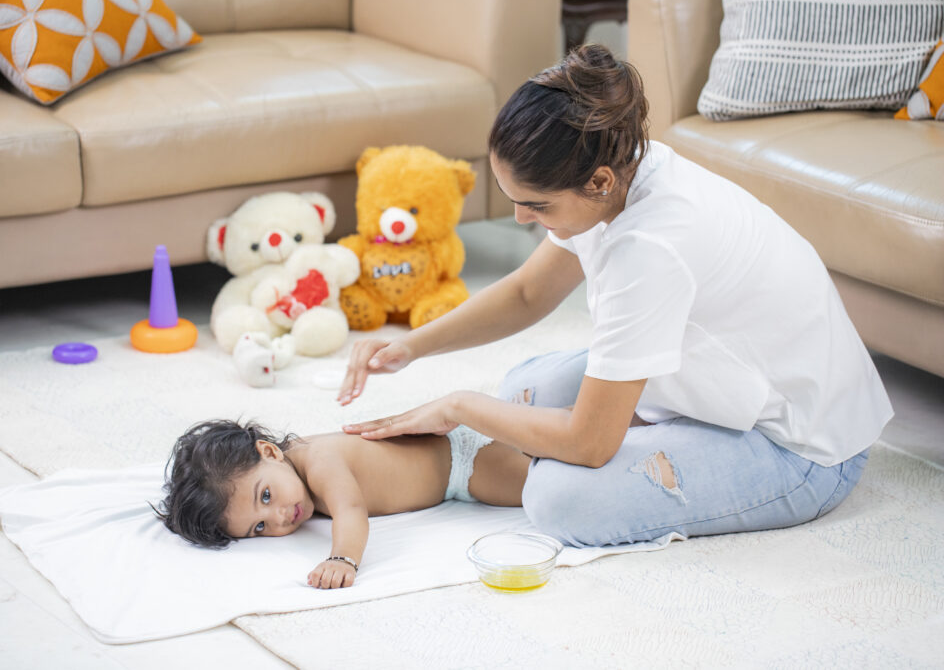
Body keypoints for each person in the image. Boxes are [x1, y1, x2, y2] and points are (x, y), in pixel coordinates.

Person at [338, 44, 894, 549]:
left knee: (558, 497)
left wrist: (458, 405)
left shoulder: (651, 245)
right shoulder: (625, 166)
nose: (520, 218)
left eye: (536, 204)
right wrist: (410, 346)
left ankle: (683, 443)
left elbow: (590, 444)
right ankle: (669, 432)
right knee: (521, 391)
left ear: (599, 182)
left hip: (803, 447)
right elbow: (530, 292)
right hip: (717, 383)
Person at [154, 419, 531, 589]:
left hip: (465, 460)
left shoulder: (318, 460)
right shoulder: (290, 476)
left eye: (265, 497)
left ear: (268, 451)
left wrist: (342, 558)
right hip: (455, 466)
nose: (280, 517)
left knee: (545, 480)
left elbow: (351, 510)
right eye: (260, 527)